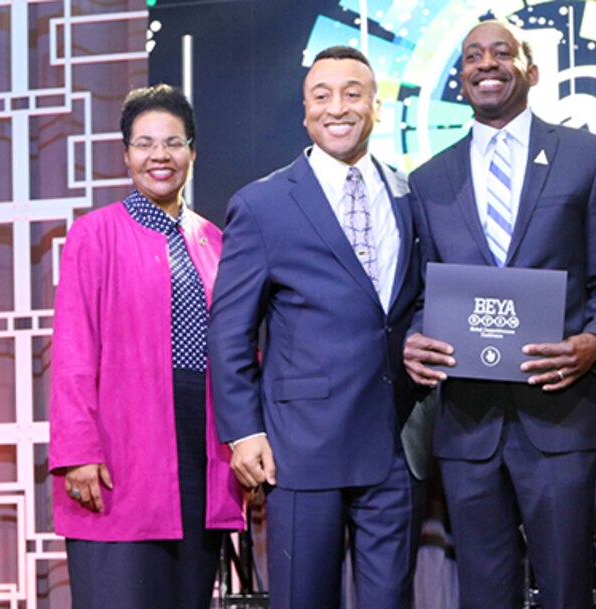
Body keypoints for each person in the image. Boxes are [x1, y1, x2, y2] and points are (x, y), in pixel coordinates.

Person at [403, 21, 596, 609]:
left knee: (568, 589)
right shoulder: (428, 179)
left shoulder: (589, 158)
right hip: (468, 424)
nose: (486, 64)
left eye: (502, 52)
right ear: (459, 78)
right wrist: (415, 337)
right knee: (482, 594)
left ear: (531, 70)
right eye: (472, 56)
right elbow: (419, 293)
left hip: (561, 416)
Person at [207, 46, 424, 609]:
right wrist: (243, 431)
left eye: (353, 94)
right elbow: (230, 330)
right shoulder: (263, 203)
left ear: (376, 107)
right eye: (322, 96)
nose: (338, 108)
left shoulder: (406, 193)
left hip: (394, 439)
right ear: (304, 112)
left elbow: (414, 300)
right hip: (300, 445)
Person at [49, 83, 244, 609]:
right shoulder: (94, 235)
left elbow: (238, 354)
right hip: (119, 451)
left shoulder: (217, 241)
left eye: (174, 142)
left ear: (193, 152)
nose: (160, 155)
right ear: (127, 154)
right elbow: (71, 350)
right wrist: (76, 452)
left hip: (200, 447)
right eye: (145, 143)